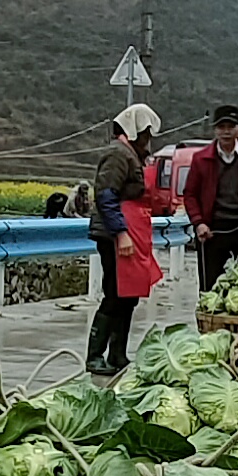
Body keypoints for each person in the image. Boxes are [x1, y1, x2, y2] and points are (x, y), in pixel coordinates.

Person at [87, 102, 174, 375]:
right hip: (115, 235)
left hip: (131, 232)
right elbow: (106, 196)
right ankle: (95, 355)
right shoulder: (117, 155)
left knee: (128, 296)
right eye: (146, 134)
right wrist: (121, 233)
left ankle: (117, 354)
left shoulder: (132, 155)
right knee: (114, 294)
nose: (148, 141)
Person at [179, 103, 238, 288]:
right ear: (215, 130)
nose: (226, 132)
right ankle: (210, 318)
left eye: (230, 127)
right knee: (210, 287)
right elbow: (190, 194)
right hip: (212, 230)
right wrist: (199, 223)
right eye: (221, 127)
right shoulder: (201, 159)